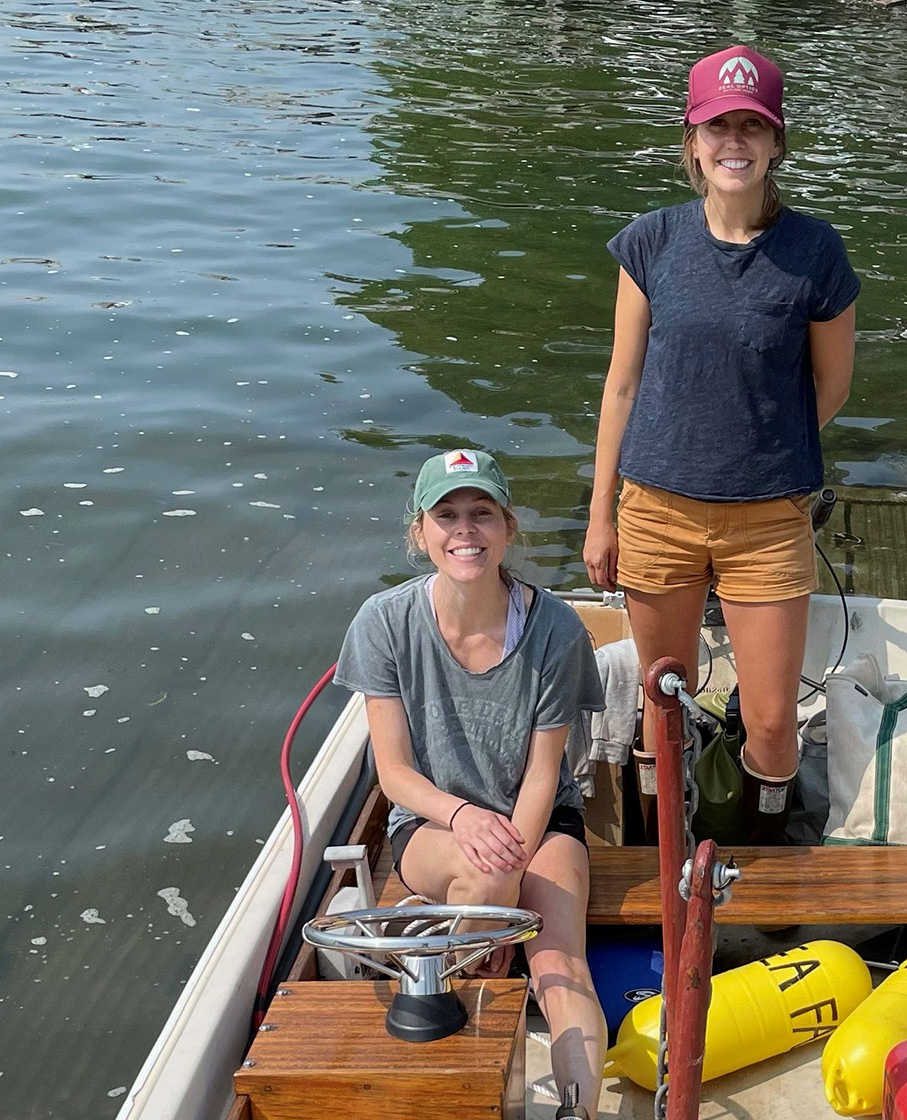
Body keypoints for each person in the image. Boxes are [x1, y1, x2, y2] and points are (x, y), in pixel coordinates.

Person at [583, 45, 859, 844]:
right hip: (656, 511)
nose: (733, 142)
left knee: (773, 722)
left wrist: (757, 447)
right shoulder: (651, 243)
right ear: (693, 140)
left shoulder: (815, 253)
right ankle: (655, 844)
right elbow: (622, 387)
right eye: (717, 127)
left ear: (776, 142)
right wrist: (602, 517)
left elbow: (830, 387)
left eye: (751, 126)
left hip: (767, 521)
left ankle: (758, 849)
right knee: (661, 700)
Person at [336, 448, 606, 1119]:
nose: (465, 529)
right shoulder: (383, 623)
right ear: (420, 533)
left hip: (540, 822)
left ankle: (579, 1110)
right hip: (431, 824)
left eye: (481, 513)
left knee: (559, 968)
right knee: (484, 882)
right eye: (447, 514)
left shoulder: (556, 631)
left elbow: (546, 774)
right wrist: (463, 820)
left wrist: (505, 859)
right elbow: (393, 773)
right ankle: (464, 1083)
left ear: (508, 528)